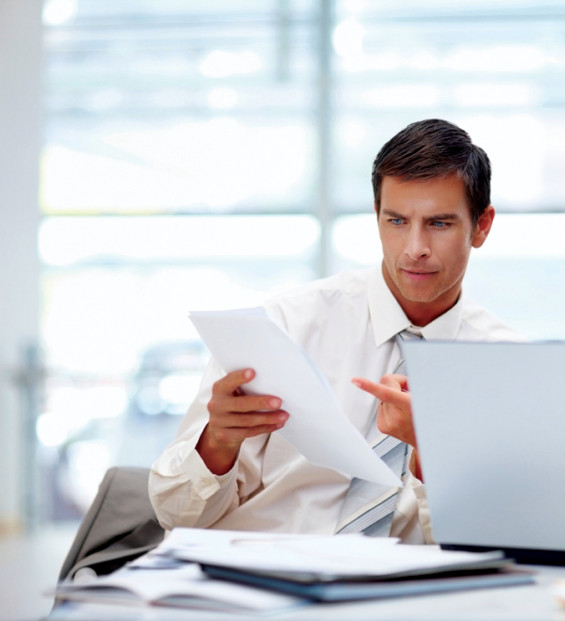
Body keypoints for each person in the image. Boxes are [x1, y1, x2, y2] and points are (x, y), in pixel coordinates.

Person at [149, 118, 522, 543]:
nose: (415, 248)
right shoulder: (284, 326)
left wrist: (434, 449)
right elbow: (173, 515)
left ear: (483, 226)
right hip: (261, 576)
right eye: (396, 221)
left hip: (401, 595)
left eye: (439, 224)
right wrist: (215, 445)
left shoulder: (508, 364)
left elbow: (497, 540)